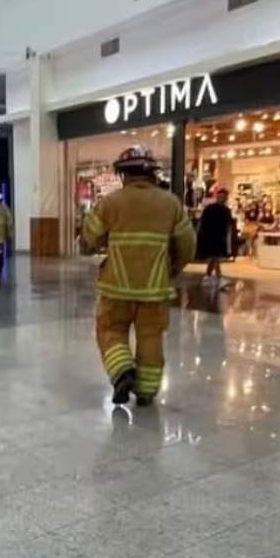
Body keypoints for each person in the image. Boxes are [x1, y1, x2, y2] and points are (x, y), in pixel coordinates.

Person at [81, 145, 196, 407]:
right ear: (151, 173)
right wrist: (171, 270)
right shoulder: (171, 203)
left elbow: (89, 236)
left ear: (123, 174)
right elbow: (188, 245)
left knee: (110, 329)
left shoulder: (110, 203)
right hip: (155, 288)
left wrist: (92, 245)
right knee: (150, 336)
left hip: (116, 287)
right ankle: (146, 391)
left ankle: (122, 371)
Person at [196, 188, 233, 289]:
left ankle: (207, 277)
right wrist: (198, 234)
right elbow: (201, 221)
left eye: (223, 197)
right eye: (220, 197)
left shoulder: (226, 210)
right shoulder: (210, 208)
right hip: (209, 235)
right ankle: (219, 277)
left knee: (214, 257)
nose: (221, 199)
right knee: (215, 256)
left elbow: (228, 225)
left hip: (219, 236)